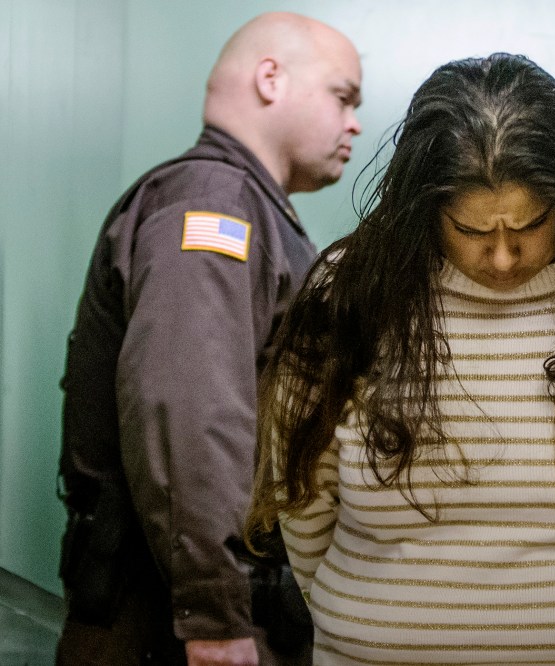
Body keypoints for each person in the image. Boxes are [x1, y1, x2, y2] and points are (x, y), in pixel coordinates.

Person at [248, 52, 555, 664]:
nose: (504, 258)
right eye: (473, 231)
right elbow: (304, 503)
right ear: (425, 211)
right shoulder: (351, 291)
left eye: (531, 225)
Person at [56, 12, 361, 666]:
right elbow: (188, 407)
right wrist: (215, 615)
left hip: (213, 609)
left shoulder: (250, 210)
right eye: (343, 96)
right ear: (270, 79)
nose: (355, 122)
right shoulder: (215, 205)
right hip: (182, 626)